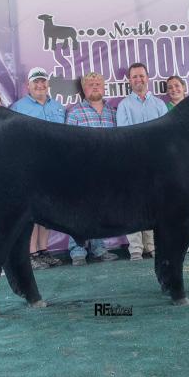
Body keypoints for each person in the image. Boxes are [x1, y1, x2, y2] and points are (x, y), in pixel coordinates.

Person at [11, 67, 65, 269]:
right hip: (30, 167)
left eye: (43, 81)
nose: (40, 85)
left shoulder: (58, 107)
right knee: (30, 212)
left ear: (48, 84)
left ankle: (44, 251)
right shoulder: (18, 108)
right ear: (28, 85)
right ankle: (31, 253)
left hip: (54, 166)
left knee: (47, 211)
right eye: (36, 82)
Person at [65, 72, 119, 266]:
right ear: (83, 88)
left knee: (102, 209)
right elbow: (68, 143)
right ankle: (78, 251)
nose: (95, 86)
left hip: (107, 169)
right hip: (83, 169)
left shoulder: (113, 112)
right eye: (90, 84)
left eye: (98, 83)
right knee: (78, 210)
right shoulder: (75, 113)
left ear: (103, 87)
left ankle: (99, 249)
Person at [116, 62, 167, 260]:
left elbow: (166, 133)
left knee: (155, 205)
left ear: (148, 78)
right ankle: (136, 249)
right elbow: (124, 135)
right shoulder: (124, 105)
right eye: (135, 76)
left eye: (142, 75)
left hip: (157, 164)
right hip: (133, 163)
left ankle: (152, 246)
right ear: (130, 81)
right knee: (134, 206)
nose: (139, 79)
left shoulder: (159, 105)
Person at [166, 75, 189, 252]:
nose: (174, 89)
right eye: (170, 87)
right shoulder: (165, 110)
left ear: (184, 87)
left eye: (177, 86)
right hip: (173, 162)